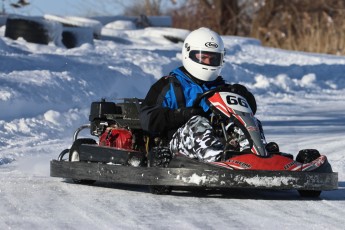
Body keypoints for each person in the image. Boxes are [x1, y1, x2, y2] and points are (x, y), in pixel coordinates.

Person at [139, 27, 257, 162]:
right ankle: (218, 161)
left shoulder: (222, 88)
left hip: (219, 141)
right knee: (197, 122)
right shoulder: (169, 85)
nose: (208, 62)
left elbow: (249, 112)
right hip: (176, 144)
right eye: (203, 57)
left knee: (248, 122)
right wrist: (180, 115)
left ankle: (255, 157)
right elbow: (147, 119)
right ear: (189, 54)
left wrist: (244, 96)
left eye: (213, 59)